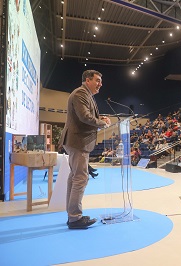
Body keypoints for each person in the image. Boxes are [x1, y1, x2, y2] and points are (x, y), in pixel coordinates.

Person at [60, 70, 111, 229]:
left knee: (75, 176)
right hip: (78, 141)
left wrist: (99, 118)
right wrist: (103, 123)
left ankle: (72, 215)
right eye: (97, 80)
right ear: (87, 80)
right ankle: (75, 217)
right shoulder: (80, 93)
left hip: (77, 141)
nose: (100, 84)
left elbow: (88, 115)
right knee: (81, 178)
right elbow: (84, 117)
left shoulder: (87, 95)